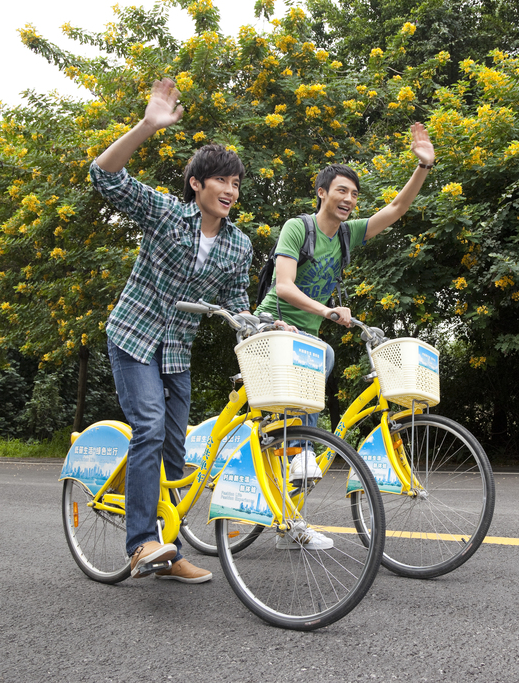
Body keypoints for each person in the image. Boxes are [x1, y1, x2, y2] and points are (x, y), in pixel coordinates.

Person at [90, 78, 253, 583]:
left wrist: (259, 336)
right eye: (221, 181)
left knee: (174, 452)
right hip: (134, 337)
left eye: (236, 184)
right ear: (197, 186)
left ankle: (169, 549)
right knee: (150, 428)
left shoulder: (238, 246)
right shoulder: (164, 214)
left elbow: (240, 306)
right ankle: (139, 544)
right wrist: (147, 125)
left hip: (175, 352)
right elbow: (104, 176)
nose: (230, 190)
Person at [255, 122, 436, 489]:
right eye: (341, 190)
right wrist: (326, 312)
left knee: (316, 362)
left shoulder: (348, 234)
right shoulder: (298, 227)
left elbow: (397, 208)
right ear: (322, 193)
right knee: (322, 357)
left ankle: (291, 490)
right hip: (268, 324)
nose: (349, 198)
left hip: (304, 334)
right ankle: (299, 450)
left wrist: (423, 167)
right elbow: (284, 286)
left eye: (354, 193)